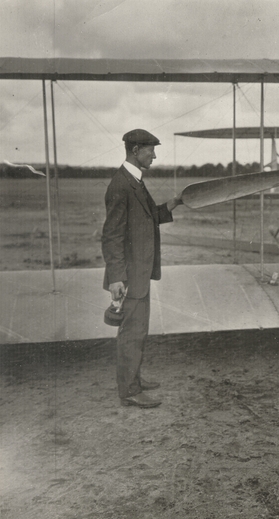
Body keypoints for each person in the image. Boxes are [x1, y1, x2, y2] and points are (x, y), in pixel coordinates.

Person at [102, 129, 182, 408]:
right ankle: (130, 391)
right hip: (129, 276)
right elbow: (111, 236)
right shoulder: (121, 185)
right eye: (151, 150)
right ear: (136, 150)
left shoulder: (134, 181)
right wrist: (116, 278)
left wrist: (174, 203)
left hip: (138, 273)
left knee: (138, 331)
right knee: (131, 333)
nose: (155, 155)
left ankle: (134, 379)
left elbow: (151, 216)